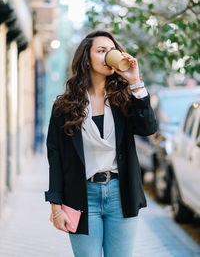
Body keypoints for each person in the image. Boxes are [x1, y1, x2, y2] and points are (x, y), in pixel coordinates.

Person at [44, 30, 157, 257]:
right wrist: (56, 207)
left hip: (120, 193)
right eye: (101, 50)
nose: (108, 56)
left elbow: (148, 128)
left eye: (112, 51)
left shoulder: (122, 99)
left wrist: (135, 81)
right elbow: (55, 156)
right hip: (81, 195)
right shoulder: (65, 106)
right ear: (86, 58)